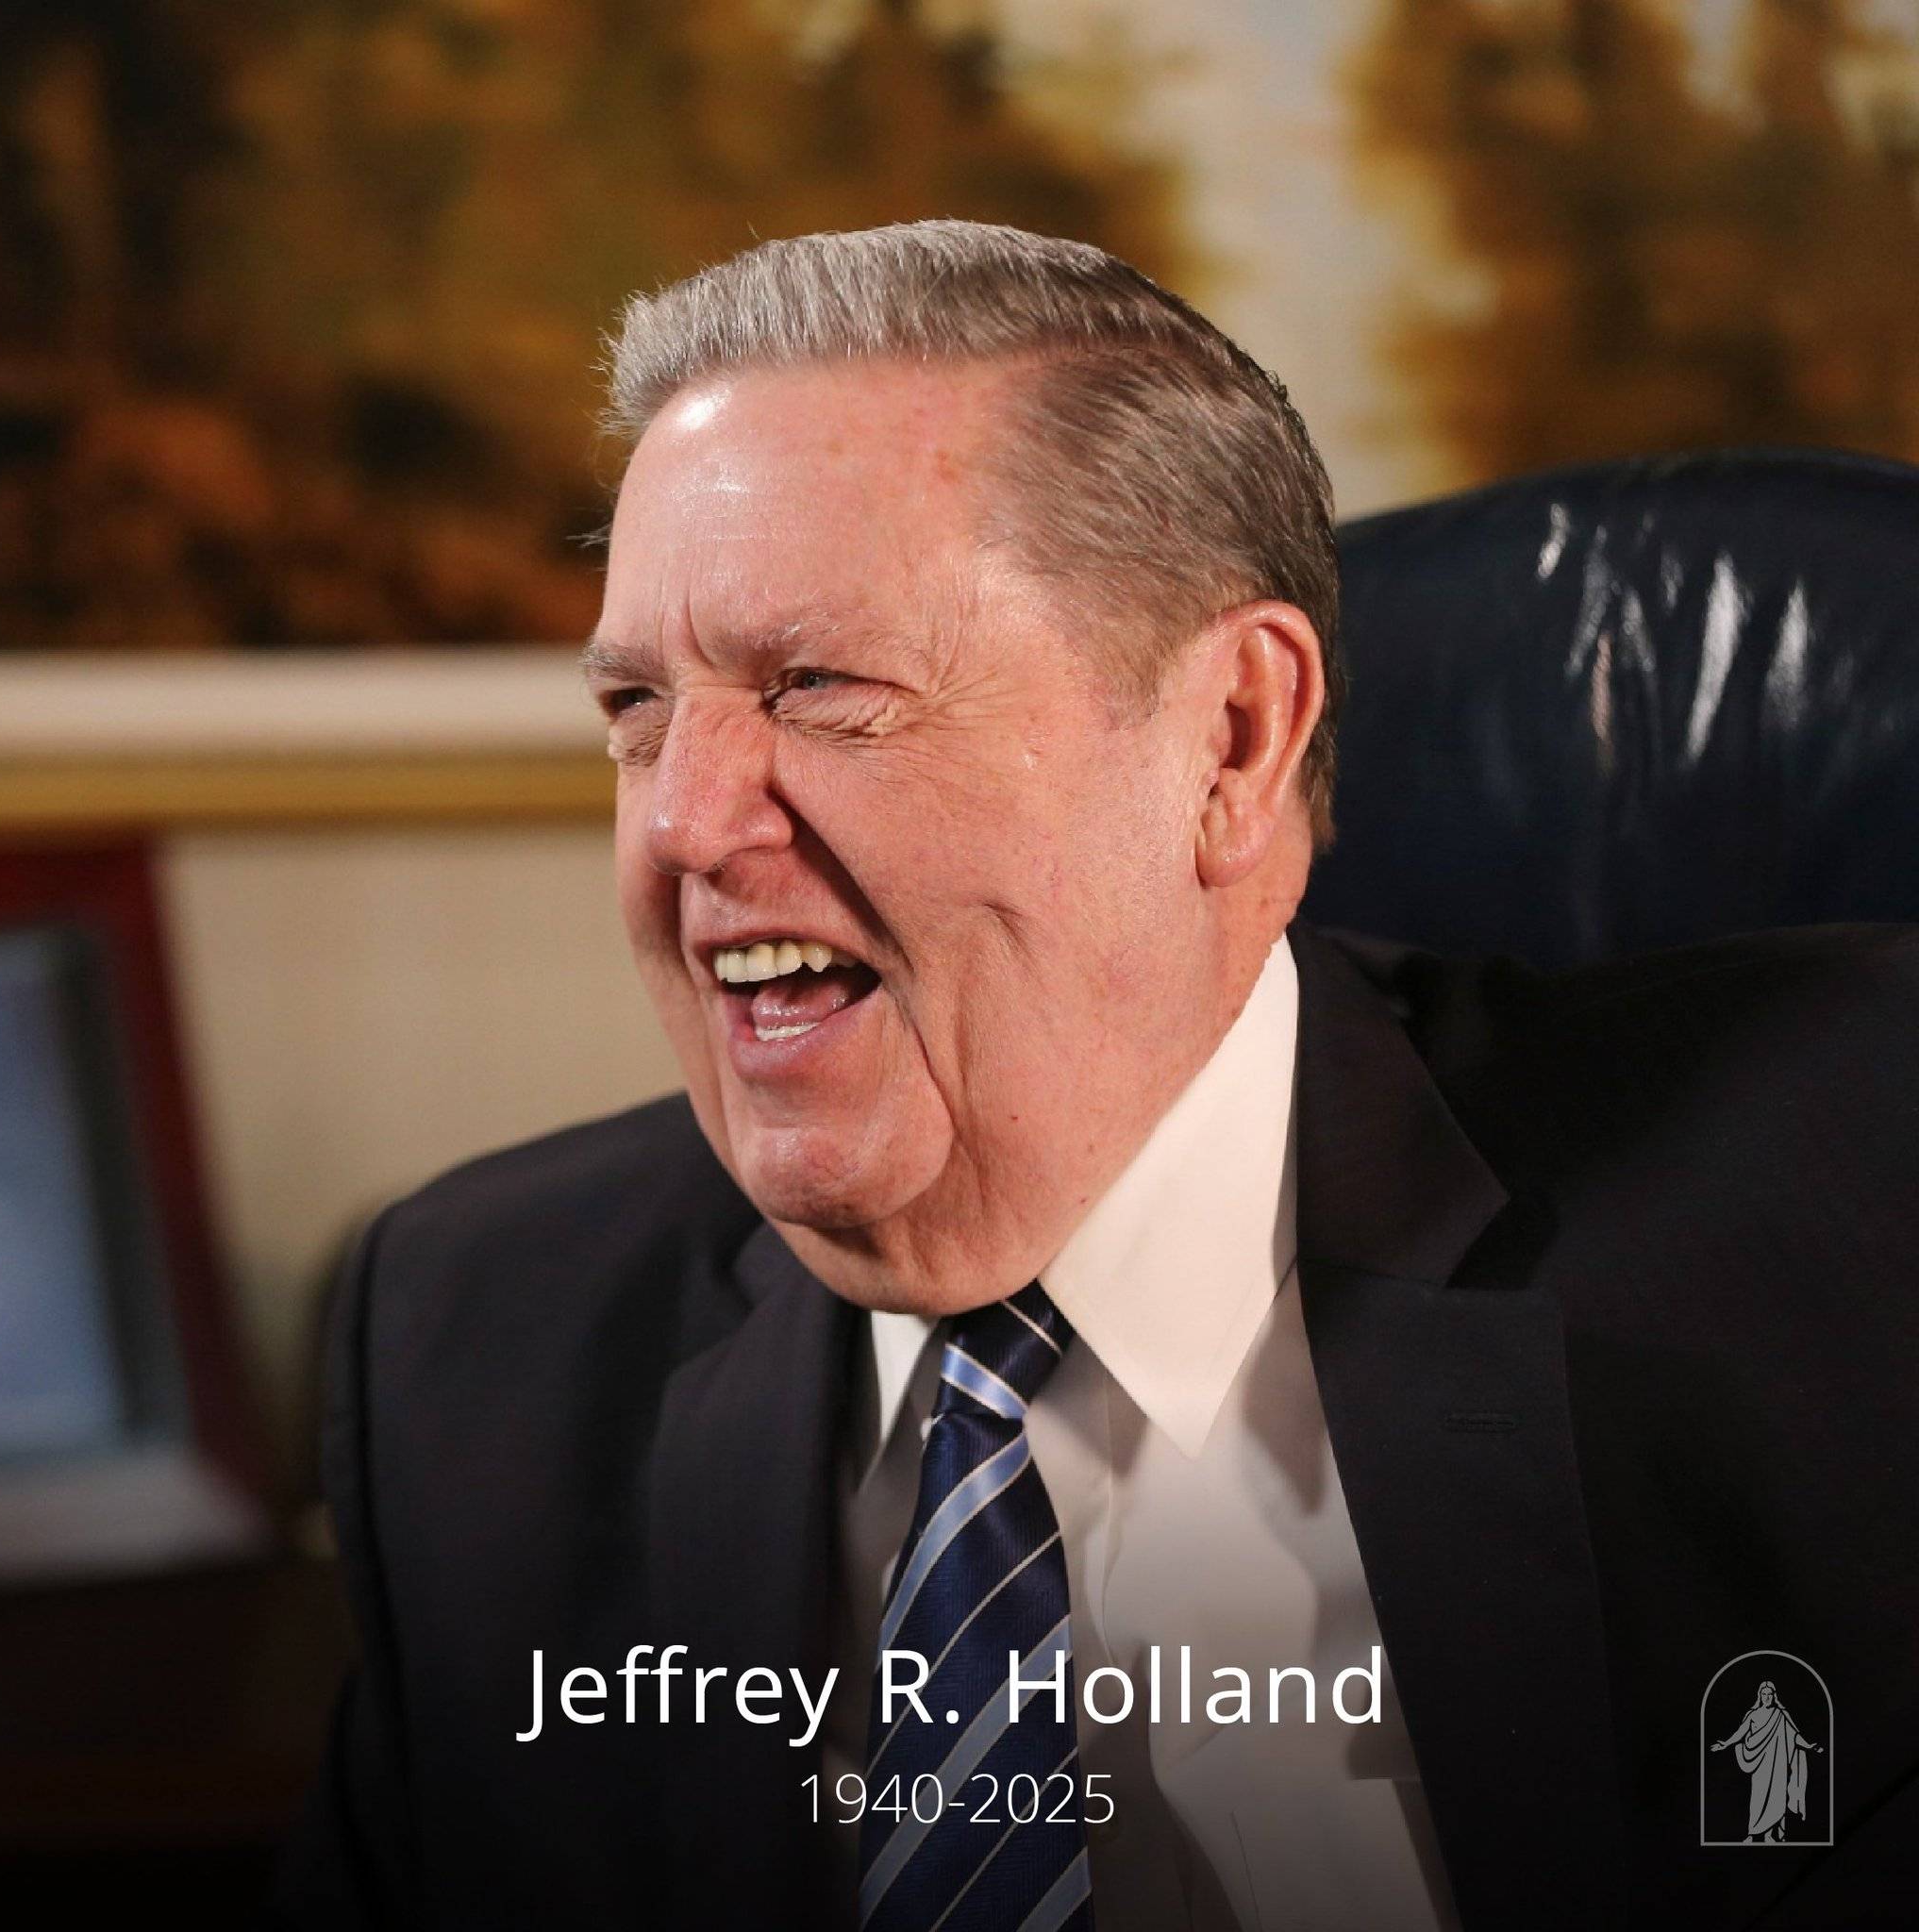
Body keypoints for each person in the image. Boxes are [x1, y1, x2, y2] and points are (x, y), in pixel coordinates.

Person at [270, 222, 1919, 1931]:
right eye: (634, 703)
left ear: (1228, 738)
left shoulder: (1848, 1197)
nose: (682, 820)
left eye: (817, 686)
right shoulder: (474, 1337)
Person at [1712, 1681, 1822, 1845]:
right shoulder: (1753, 1714)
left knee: (1776, 1799)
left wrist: (1807, 1745)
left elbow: (1793, 1735)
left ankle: (1768, 1836)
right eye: (1764, 1694)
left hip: (1778, 1763)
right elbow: (1740, 1733)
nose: (1767, 1697)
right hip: (1760, 1763)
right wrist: (1726, 1744)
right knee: (1757, 1798)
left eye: (1770, 1694)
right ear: (1760, 1696)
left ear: (1774, 1696)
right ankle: (1751, 1833)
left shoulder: (1780, 1715)